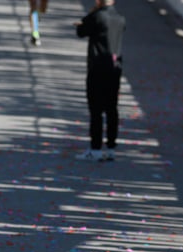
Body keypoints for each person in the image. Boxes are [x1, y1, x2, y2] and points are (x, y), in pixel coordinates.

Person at [75, 0, 125, 161]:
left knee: (96, 109)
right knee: (112, 108)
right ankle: (111, 147)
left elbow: (81, 31)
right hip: (114, 67)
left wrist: (89, 14)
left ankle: (95, 148)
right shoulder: (120, 19)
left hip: (97, 68)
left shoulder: (97, 16)